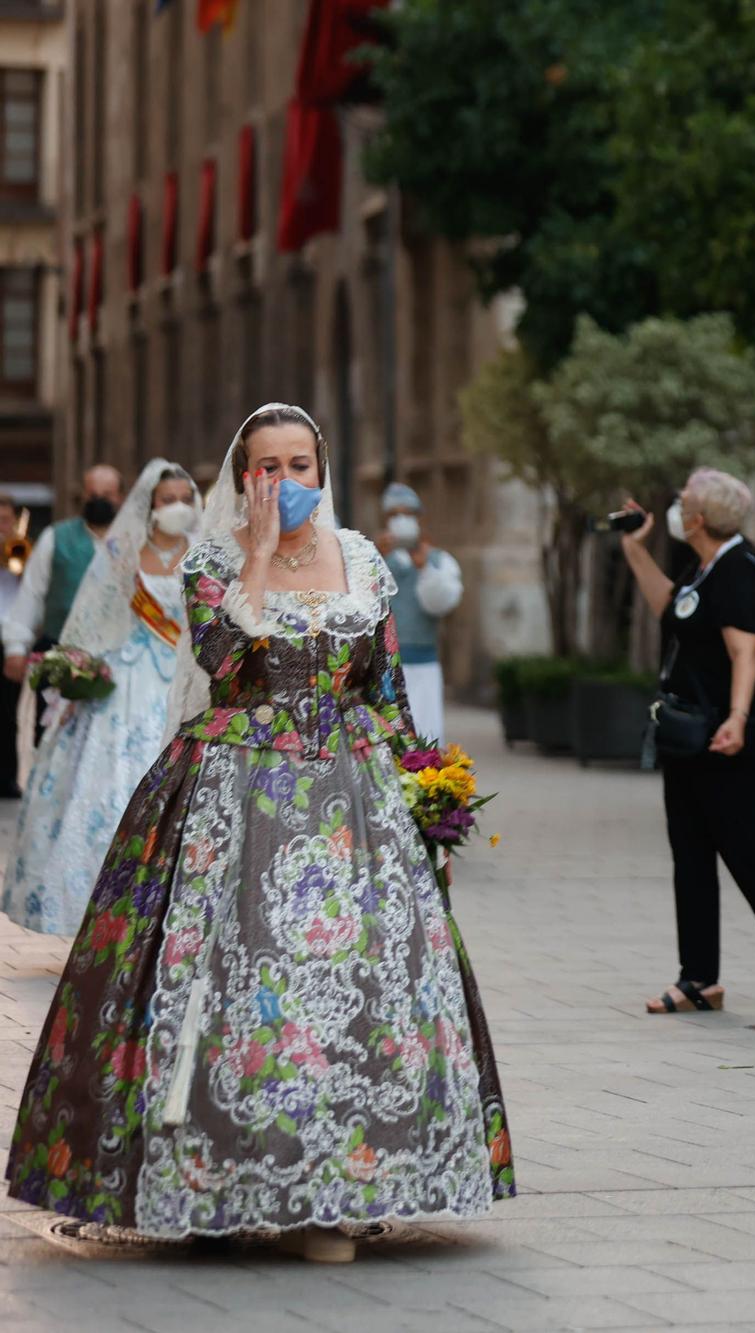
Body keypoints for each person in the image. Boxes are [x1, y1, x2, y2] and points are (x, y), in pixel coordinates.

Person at [5, 405, 513, 1261]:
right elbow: (225, 666)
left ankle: (337, 1199)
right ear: (245, 477)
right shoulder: (215, 563)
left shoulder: (361, 561)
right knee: (236, 977)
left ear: (323, 465)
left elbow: (384, 688)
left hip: (355, 792)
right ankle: (228, 1182)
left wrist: (426, 790)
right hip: (239, 784)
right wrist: (262, 558)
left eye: (299, 464)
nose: (284, 481)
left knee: (363, 985)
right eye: (266, 467)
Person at [616, 468, 755, 1016]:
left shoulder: (740, 571)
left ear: (698, 518)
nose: (676, 507)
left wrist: (737, 718)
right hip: (690, 733)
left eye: (683, 501)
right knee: (690, 852)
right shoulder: (705, 569)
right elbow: (671, 610)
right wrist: (634, 551)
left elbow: (746, 654)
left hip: (732, 734)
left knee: (744, 849)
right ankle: (698, 979)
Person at [0, 461, 199, 936]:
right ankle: (100, 910)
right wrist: (76, 669)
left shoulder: (204, 554)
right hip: (125, 683)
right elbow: (94, 617)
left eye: (183, 500)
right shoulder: (125, 551)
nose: (175, 508)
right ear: (149, 504)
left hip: (182, 681)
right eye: (166, 499)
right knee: (105, 789)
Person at [2, 464, 124, 686]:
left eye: (107, 495)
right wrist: (15, 647)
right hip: (61, 656)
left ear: (121, 498)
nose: (99, 500)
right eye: (93, 494)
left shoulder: (135, 542)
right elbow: (32, 593)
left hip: (121, 659)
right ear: (83, 496)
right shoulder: (55, 537)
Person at [375, 481, 462, 740]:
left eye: (407, 514)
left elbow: (442, 604)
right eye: (393, 515)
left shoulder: (439, 560)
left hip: (423, 665)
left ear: (419, 519)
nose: (401, 520)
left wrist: (425, 569)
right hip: (384, 668)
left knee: (425, 735)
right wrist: (375, 557)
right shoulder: (370, 557)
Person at [0, 493, 25, 798]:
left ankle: (6, 777)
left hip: (11, 638)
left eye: (6, 520)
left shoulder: (22, 549)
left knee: (9, 713)